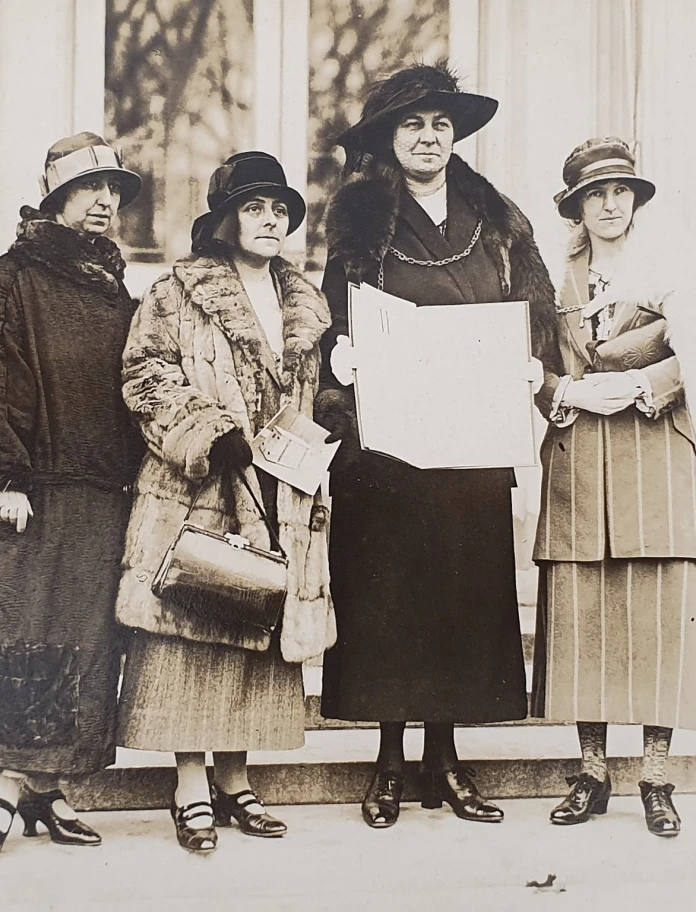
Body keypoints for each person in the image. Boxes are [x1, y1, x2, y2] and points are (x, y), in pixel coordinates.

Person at [316, 63, 560, 828]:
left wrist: (532, 355)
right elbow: (327, 314)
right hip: (386, 447)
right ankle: (389, 762)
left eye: (441, 125)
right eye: (413, 124)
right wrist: (338, 355)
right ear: (390, 138)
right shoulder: (357, 221)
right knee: (389, 598)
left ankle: (445, 763)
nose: (429, 137)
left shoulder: (500, 221)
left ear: (455, 138)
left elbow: (538, 306)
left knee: (459, 594)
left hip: (471, 439)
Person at [115, 151, 335, 853]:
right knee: (197, 627)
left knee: (258, 630)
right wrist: (207, 433)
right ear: (224, 220)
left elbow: (312, 390)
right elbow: (144, 373)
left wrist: (332, 409)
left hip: (280, 491)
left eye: (280, 210)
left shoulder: (304, 301)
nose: (270, 220)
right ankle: (190, 788)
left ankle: (237, 781)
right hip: (200, 488)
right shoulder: (177, 292)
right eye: (254, 207)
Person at [532, 137, 696, 837]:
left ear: (634, 199)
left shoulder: (674, 266)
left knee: (661, 615)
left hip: (657, 451)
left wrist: (644, 382)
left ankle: (656, 777)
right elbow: (527, 365)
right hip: (580, 454)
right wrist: (563, 391)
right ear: (575, 205)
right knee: (582, 619)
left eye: (620, 191)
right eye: (594, 194)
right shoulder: (550, 277)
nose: (609, 203)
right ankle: (591, 773)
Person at [0, 132, 143, 850]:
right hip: (37, 489)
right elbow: (4, 379)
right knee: (29, 640)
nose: (106, 202)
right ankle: (3, 788)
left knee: (85, 645)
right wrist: (7, 475)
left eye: (115, 191)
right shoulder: (15, 276)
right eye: (91, 189)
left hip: (103, 492)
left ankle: (45, 793)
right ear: (56, 195)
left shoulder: (113, 284)